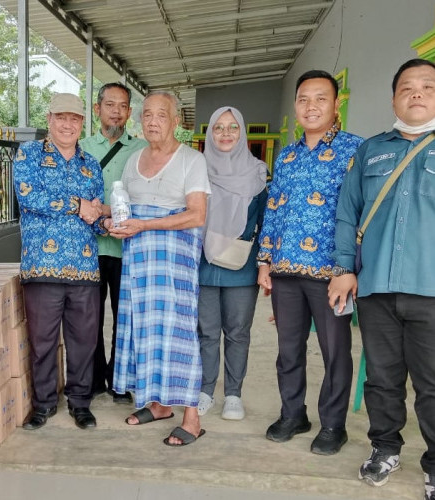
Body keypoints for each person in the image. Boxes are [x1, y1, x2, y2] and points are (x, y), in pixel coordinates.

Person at [330, 58, 435, 497]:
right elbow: (346, 213)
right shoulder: (371, 150)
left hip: (430, 290)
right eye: (407, 87)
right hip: (376, 289)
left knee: (432, 382)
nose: (416, 93)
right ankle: (384, 447)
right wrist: (342, 270)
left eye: (428, 86)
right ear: (393, 97)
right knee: (383, 378)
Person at [257, 70, 363, 456]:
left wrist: (347, 269)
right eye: (304, 99)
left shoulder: (355, 151)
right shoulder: (286, 154)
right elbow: (273, 210)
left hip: (331, 273)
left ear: (337, 106)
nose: (312, 106)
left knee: (335, 351)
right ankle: (292, 414)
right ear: (295, 106)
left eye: (321, 98)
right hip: (286, 271)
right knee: (288, 349)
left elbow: (362, 213)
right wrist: (265, 261)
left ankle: (333, 425)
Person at [111, 91, 210, 447]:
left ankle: (192, 417)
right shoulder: (133, 159)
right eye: (147, 115)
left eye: (161, 115)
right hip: (138, 260)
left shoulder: (191, 160)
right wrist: (116, 223)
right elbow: (124, 209)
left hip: (174, 264)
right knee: (144, 330)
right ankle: (159, 404)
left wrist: (144, 225)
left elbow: (197, 215)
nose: (153, 121)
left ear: (175, 121)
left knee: (179, 333)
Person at [14, 93, 106, 431]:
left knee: (84, 341)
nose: (68, 124)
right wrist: (77, 204)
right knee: (43, 342)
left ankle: (80, 403)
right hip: (42, 266)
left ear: (83, 123)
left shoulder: (91, 164)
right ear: (49, 119)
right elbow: (29, 195)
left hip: (84, 267)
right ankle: (44, 404)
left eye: (75, 119)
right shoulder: (29, 154)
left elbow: (94, 214)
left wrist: (109, 223)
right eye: (61, 117)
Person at [197, 106, 268, 420]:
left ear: (242, 133)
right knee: (206, 332)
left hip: (242, 265)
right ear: (210, 133)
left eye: (232, 128)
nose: (225, 134)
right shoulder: (196, 169)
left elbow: (266, 222)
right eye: (218, 128)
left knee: (238, 331)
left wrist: (266, 264)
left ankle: (234, 395)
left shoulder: (257, 173)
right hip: (202, 262)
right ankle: (205, 389)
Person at [80, 82, 146, 403]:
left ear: (129, 112)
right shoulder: (81, 147)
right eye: (110, 105)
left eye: (122, 106)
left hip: (125, 248)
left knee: (125, 317)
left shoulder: (141, 149)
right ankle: (92, 379)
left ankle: (120, 379)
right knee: (90, 317)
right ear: (97, 109)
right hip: (89, 249)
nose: (116, 112)